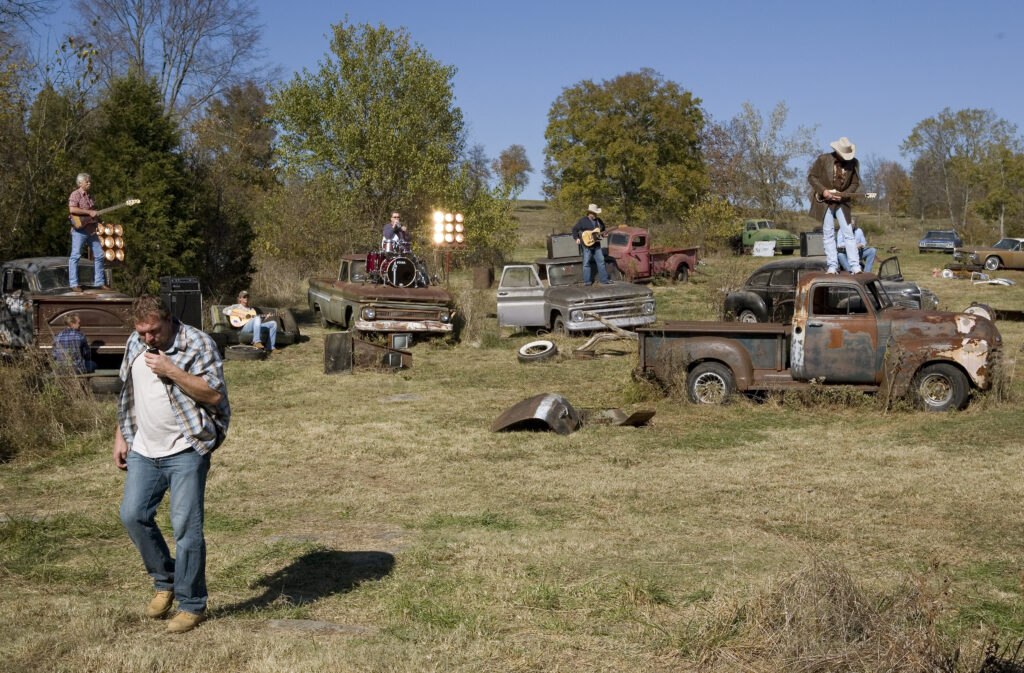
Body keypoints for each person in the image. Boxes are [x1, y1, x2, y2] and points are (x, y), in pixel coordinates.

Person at [114, 295, 230, 634]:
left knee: (186, 529)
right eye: (142, 332)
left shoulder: (197, 343)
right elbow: (128, 394)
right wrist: (121, 436)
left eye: (154, 331)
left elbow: (214, 395)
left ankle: (192, 604)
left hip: (186, 448)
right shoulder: (135, 342)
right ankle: (165, 580)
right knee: (133, 515)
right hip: (143, 448)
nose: (148, 338)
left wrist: (172, 371)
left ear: (169, 320)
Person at [807, 137, 861, 275]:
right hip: (825, 203)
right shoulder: (823, 159)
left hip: (842, 203)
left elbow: (855, 183)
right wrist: (824, 191)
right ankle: (832, 266)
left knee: (849, 233)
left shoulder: (854, 162)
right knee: (828, 234)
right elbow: (812, 177)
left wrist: (844, 195)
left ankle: (855, 266)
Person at [68, 173, 108, 293]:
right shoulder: (75, 194)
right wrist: (88, 212)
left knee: (99, 255)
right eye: (87, 181)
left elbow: (93, 213)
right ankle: (74, 284)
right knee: (75, 256)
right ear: (80, 183)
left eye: (89, 181)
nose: (89, 183)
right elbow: (72, 209)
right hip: (79, 231)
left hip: (91, 230)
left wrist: (101, 221)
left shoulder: (91, 197)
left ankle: (99, 282)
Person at [572, 203, 611, 285]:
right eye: (594, 213)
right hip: (586, 245)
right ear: (589, 213)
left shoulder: (599, 221)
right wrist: (576, 238)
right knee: (586, 263)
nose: (595, 215)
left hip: (596, 245)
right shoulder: (583, 221)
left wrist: (604, 235)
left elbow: (602, 231)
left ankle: (604, 280)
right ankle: (587, 282)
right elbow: (575, 229)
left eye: (596, 213)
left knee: (601, 261)